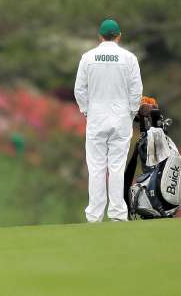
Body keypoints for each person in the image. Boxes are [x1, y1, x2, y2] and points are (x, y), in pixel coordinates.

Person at [74, 19, 143, 222]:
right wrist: (130, 113)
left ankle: (94, 215)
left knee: (96, 167)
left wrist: (87, 110)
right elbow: (136, 90)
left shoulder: (88, 58)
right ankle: (117, 214)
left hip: (96, 118)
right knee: (116, 167)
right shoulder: (129, 58)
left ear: (100, 36)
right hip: (121, 118)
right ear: (119, 36)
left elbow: (79, 89)